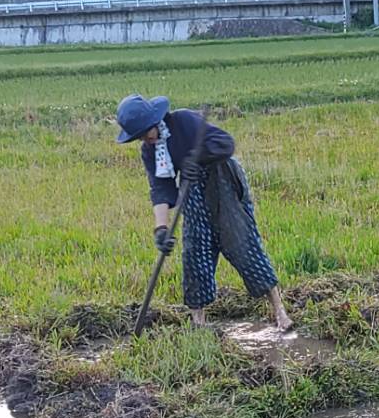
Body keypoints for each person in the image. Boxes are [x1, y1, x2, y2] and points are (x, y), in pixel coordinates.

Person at [115, 93, 293, 331]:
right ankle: (198, 323)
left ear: (154, 121)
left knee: (242, 243)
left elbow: (226, 144)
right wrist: (161, 229)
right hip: (192, 188)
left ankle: (280, 312)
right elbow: (160, 189)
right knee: (195, 251)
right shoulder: (150, 151)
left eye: (145, 132)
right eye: (139, 136)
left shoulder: (184, 121)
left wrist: (197, 158)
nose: (145, 139)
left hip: (223, 180)